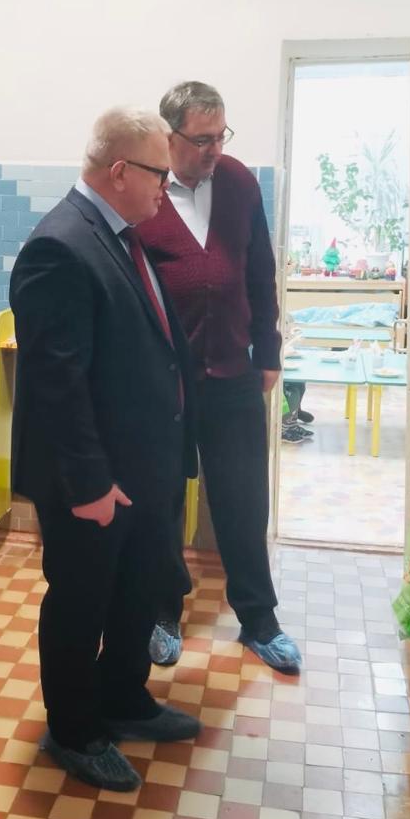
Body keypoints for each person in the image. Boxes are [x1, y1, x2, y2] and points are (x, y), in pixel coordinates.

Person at [9, 106, 202, 791]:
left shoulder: (117, 234)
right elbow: (56, 384)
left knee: (136, 590)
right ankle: (74, 730)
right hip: (92, 479)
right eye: (158, 174)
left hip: (140, 467)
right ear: (119, 171)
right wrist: (89, 483)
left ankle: (123, 698)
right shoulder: (60, 246)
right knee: (81, 602)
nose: (166, 189)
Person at [136, 81, 303, 673]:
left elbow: (260, 271)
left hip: (233, 371)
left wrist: (269, 351)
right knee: (161, 500)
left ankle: (259, 619)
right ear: (170, 136)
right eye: (202, 139)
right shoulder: (147, 188)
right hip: (164, 381)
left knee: (244, 497)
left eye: (220, 135)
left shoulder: (238, 183)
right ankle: (161, 612)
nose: (215, 149)